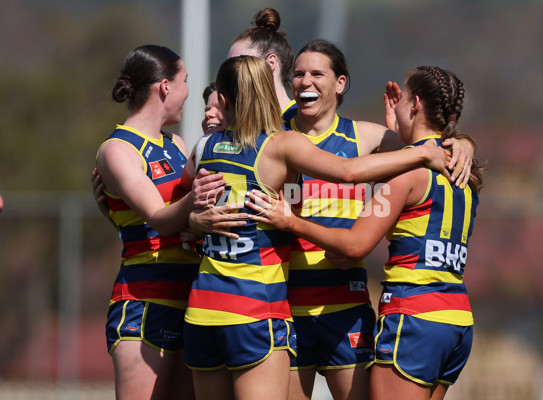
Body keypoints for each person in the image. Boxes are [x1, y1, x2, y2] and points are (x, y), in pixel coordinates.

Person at [182, 55, 453, 400]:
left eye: (316, 73)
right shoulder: (280, 140)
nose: (306, 81)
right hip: (273, 308)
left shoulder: (362, 135)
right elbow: (352, 172)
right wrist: (424, 153)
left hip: (331, 304)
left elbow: (428, 145)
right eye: (298, 74)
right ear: (278, 89)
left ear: (340, 83)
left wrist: (190, 217)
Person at [246, 65, 484, 400]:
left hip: (414, 317)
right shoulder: (463, 170)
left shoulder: (407, 170)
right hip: (456, 319)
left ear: (415, 105)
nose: (394, 104)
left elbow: (356, 245)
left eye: (401, 98)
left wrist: (291, 222)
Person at [95, 44, 206, 400]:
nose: (189, 91)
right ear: (166, 87)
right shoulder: (117, 150)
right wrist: (197, 197)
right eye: (185, 80)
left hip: (193, 299)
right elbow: (159, 218)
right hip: (145, 303)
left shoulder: (175, 143)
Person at [227, 7, 297, 121]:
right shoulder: (235, 125)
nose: (230, 74)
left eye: (241, 64)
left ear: (271, 63)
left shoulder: (303, 121)